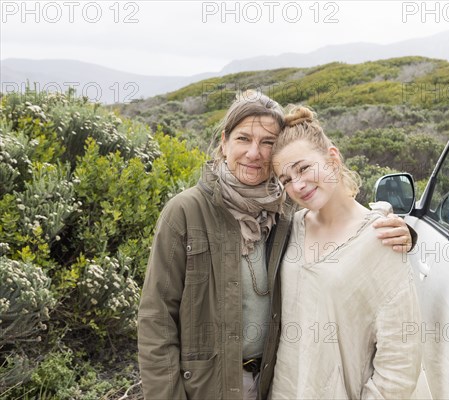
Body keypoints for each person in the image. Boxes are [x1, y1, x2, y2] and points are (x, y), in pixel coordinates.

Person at [137, 91, 417, 400]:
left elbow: (339, 225)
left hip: (271, 384)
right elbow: (156, 320)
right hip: (207, 387)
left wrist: (398, 232)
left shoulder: (285, 213)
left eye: (268, 142)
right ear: (224, 142)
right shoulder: (186, 212)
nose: (254, 153)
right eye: (243, 138)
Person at [268, 105, 422, 399]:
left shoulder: (382, 238)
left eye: (303, 168)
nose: (297, 185)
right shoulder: (290, 228)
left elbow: (400, 361)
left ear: (332, 158)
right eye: (286, 179)